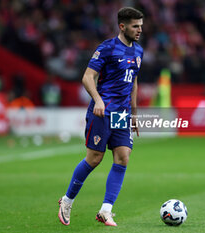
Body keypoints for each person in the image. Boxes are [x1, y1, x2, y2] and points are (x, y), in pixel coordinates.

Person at [58, 7, 143, 227]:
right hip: (103, 111)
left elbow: (133, 83)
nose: (139, 30)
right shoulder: (107, 48)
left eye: (141, 26)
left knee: (123, 157)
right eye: (135, 26)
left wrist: (134, 114)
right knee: (94, 159)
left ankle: (106, 210)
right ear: (122, 26)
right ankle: (67, 200)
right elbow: (87, 77)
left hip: (123, 114)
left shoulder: (139, 51)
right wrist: (98, 99)